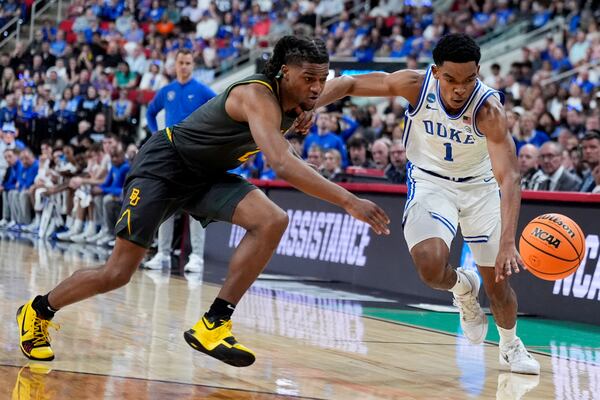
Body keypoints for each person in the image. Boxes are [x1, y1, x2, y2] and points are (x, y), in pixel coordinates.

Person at [16, 36, 390, 368]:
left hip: (207, 176)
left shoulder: (304, 96)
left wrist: (425, 85)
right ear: (283, 72)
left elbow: (350, 83)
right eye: (309, 78)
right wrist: (348, 200)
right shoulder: (256, 95)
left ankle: (215, 322)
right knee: (117, 273)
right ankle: (38, 311)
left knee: (271, 220)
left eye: (320, 78)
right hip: (164, 166)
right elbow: (280, 162)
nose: (316, 87)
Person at [317, 33, 540, 375]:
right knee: (431, 268)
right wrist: (308, 107)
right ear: (436, 72)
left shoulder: (489, 110)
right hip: (430, 181)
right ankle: (463, 290)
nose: (460, 89)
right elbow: (347, 84)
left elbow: (510, 177)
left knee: (498, 283)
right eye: (451, 79)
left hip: (479, 189)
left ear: (478, 72)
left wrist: (509, 242)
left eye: (469, 80)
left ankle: (510, 346)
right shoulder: (415, 85)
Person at [144, 48, 217, 272]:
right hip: (170, 155)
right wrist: (157, 134)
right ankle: (163, 254)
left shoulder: (203, 90)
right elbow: (150, 112)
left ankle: (196, 257)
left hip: (195, 155)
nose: (184, 66)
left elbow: (220, 111)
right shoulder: (167, 91)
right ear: (174, 65)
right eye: (180, 63)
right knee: (165, 204)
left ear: (193, 65)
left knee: (196, 206)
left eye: (187, 63)